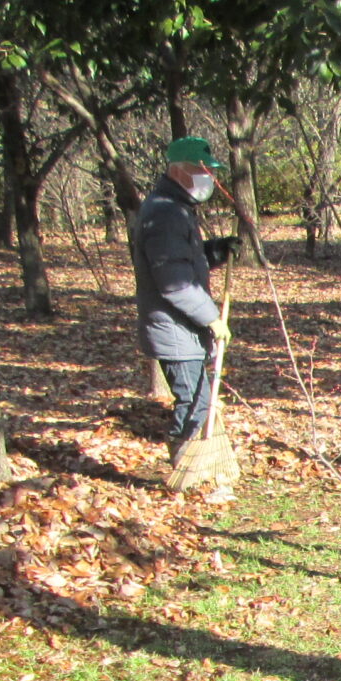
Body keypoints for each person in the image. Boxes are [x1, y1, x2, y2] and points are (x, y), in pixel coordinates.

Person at [132, 135, 238, 462]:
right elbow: (174, 283)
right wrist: (212, 319)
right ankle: (184, 462)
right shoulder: (165, 214)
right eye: (202, 170)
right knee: (195, 402)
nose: (210, 178)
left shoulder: (176, 208)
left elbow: (182, 260)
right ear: (178, 170)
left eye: (212, 171)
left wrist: (216, 250)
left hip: (181, 327)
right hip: (174, 329)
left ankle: (193, 461)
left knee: (198, 398)